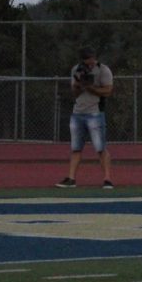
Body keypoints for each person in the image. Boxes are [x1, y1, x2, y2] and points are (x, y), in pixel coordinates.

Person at [56, 46, 114, 189]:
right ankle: (71, 178)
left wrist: (91, 87)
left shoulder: (103, 70)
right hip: (78, 112)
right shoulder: (77, 69)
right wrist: (78, 85)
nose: (91, 63)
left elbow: (107, 91)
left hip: (95, 112)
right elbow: (74, 93)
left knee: (100, 147)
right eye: (88, 60)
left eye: (93, 59)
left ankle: (107, 179)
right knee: (76, 148)